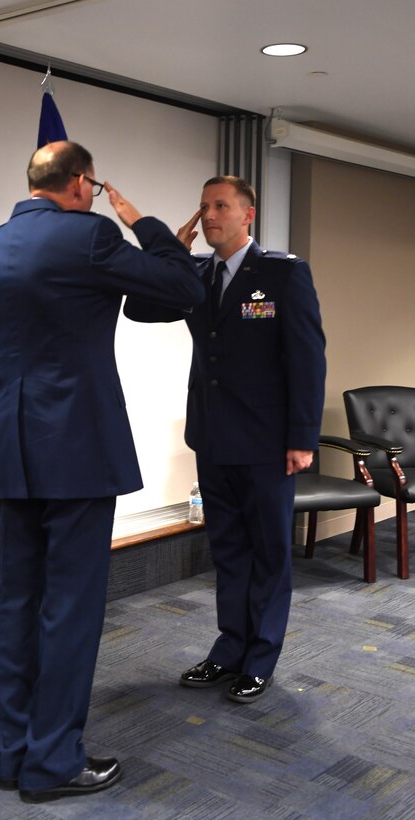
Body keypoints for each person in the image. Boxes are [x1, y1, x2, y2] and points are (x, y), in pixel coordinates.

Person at [0, 141, 204, 802]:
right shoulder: (89, 238)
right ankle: (53, 760)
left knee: (16, 602)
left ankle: (13, 752)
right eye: (93, 187)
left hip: (13, 455)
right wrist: (143, 225)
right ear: (81, 183)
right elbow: (183, 286)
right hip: (79, 455)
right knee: (69, 609)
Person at [124, 175, 326, 703]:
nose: (209, 214)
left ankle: (260, 657)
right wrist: (172, 253)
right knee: (230, 551)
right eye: (203, 206)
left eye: (220, 206)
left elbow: (306, 358)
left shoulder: (282, 274)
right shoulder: (193, 274)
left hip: (266, 442)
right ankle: (228, 649)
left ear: (247, 215)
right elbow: (139, 308)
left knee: (268, 553)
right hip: (212, 437)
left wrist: (302, 436)